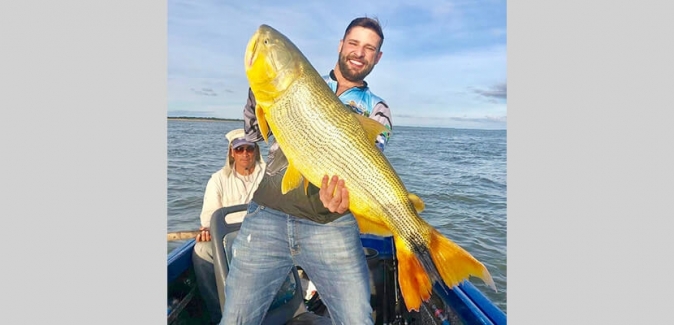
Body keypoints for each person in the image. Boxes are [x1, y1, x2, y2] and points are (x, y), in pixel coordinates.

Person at [221, 17, 392, 325]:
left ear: (377, 57)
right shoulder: (299, 77)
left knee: (358, 319)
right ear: (341, 45)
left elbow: (368, 165)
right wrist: (259, 87)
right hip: (267, 216)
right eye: (353, 43)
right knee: (235, 319)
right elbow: (253, 133)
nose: (359, 52)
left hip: (331, 225)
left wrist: (346, 198)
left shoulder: (378, 109)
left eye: (370, 48)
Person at [192, 128, 266, 325]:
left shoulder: (269, 174)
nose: (245, 154)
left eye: (249, 148)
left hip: (264, 238)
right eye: (239, 149)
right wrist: (207, 229)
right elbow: (209, 216)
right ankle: (220, 313)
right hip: (228, 241)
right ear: (231, 152)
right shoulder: (218, 179)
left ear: (256, 150)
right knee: (201, 250)